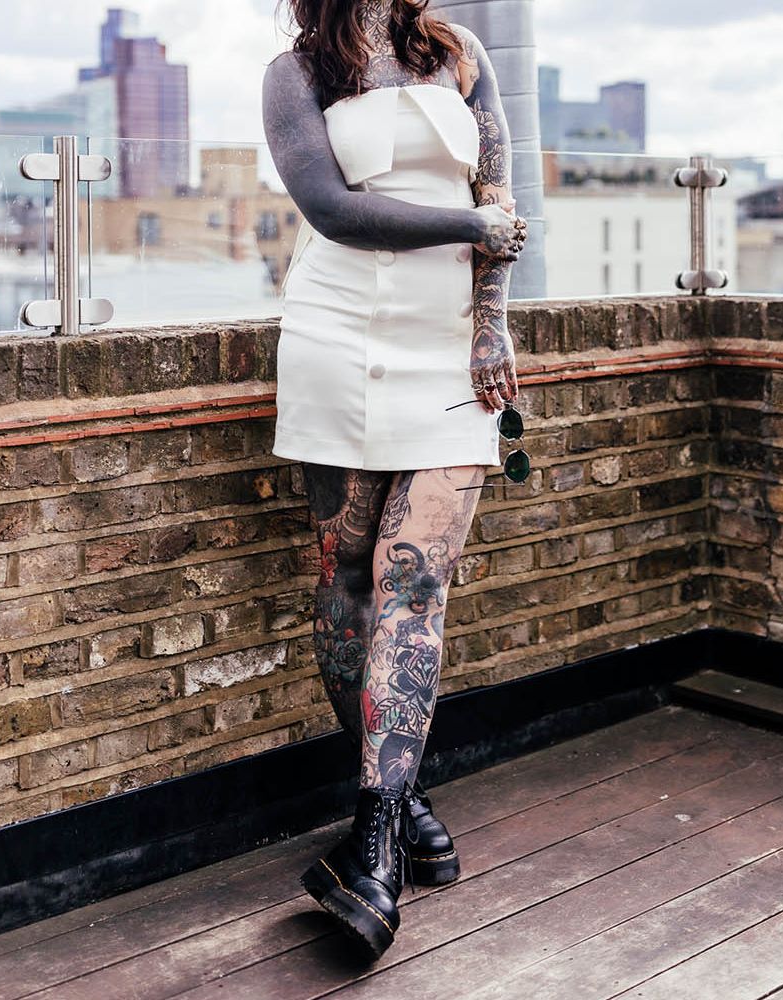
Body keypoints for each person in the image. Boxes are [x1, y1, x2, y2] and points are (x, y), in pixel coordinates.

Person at [262, 0, 528, 959]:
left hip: (449, 359)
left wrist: (492, 327)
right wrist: (472, 222)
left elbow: (508, 204)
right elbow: (334, 211)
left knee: (413, 586)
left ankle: (370, 851)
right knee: (344, 580)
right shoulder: (296, 73)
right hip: (335, 335)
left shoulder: (460, 53)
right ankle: (403, 798)